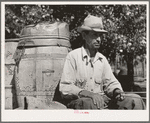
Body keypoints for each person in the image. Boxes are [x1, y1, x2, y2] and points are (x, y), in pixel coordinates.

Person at [59, 15, 145, 109]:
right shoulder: (73, 56)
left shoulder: (102, 59)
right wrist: (88, 94)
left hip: (101, 100)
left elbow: (111, 83)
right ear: (84, 35)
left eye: (100, 35)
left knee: (135, 100)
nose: (99, 39)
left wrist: (117, 91)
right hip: (81, 102)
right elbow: (65, 87)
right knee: (90, 103)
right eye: (95, 35)